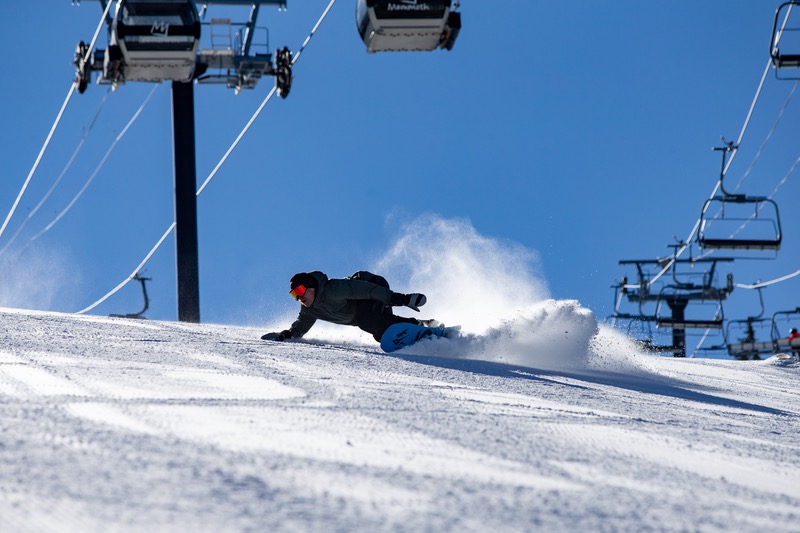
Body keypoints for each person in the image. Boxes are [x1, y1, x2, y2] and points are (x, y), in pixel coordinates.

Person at [261, 271, 440, 343]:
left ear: (311, 286)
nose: (299, 297)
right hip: (366, 311)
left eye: (300, 290)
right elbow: (300, 326)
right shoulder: (310, 310)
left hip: (372, 286)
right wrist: (287, 335)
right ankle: (424, 326)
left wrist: (401, 299)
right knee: (382, 333)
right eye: (294, 295)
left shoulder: (333, 289)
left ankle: (417, 327)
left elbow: (368, 290)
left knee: (368, 321)